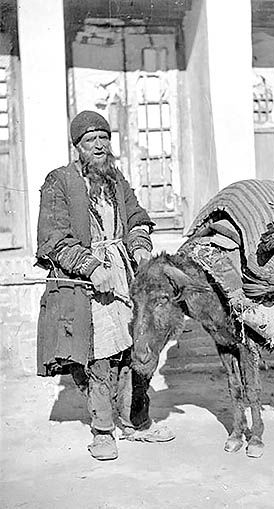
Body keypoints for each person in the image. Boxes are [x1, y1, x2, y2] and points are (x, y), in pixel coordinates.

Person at [36, 110, 174, 461]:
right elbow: (53, 238)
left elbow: (135, 215)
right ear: (77, 146)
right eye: (90, 140)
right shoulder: (59, 182)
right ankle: (102, 431)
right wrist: (90, 266)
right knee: (100, 357)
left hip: (123, 276)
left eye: (103, 138)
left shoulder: (115, 178)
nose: (99, 146)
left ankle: (135, 421)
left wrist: (139, 245)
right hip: (87, 284)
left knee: (132, 351)